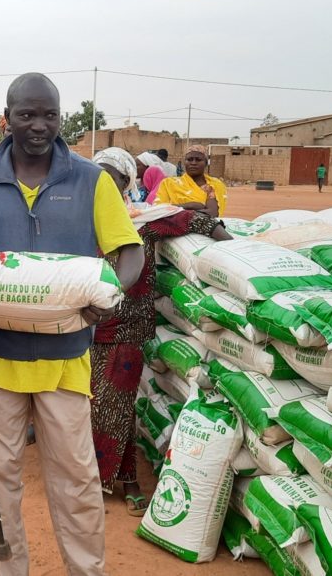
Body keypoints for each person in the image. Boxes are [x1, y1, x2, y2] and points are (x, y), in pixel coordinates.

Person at [0, 73, 145, 575]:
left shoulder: (90, 180)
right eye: (27, 114)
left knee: (76, 481)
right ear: (7, 117)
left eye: (49, 114)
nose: (39, 125)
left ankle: (85, 570)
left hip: (65, 358)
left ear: (61, 117)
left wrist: (108, 294)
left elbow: (128, 249)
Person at [90, 147, 231, 516]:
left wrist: (235, 249)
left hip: (128, 326)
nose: (102, 181)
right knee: (89, 405)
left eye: (112, 176)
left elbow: (193, 221)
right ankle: (105, 476)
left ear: (126, 183)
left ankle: (125, 480)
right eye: (97, 174)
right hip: (83, 326)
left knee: (114, 404)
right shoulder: (79, 219)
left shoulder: (144, 220)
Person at [154, 144, 228, 217]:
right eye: (189, 159)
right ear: (184, 163)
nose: (193, 163)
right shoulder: (169, 183)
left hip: (206, 228)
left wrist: (178, 208)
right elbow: (159, 210)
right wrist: (192, 205)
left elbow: (212, 213)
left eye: (198, 160)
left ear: (205, 163)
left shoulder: (214, 185)